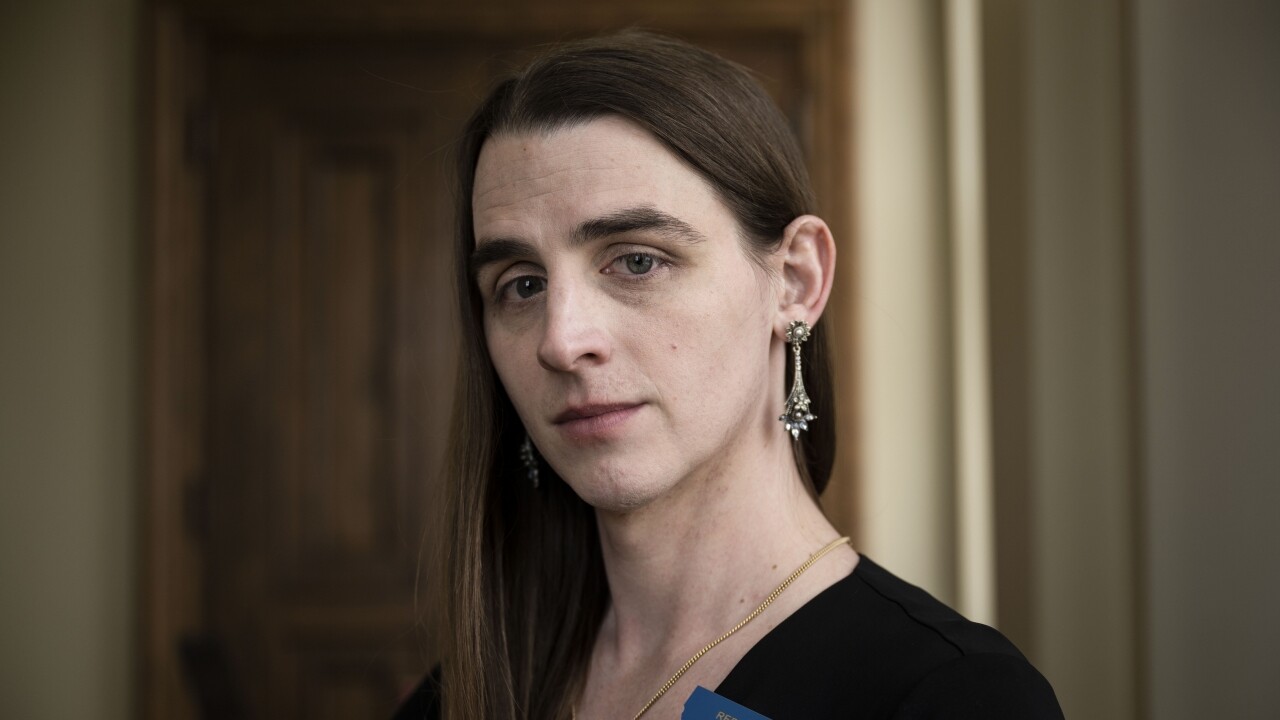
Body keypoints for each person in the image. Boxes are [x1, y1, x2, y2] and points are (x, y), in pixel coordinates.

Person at [395, 31, 1063, 720]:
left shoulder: (955, 697)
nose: (562, 342)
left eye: (637, 261)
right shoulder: (458, 699)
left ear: (795, 281)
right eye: (523, 285)